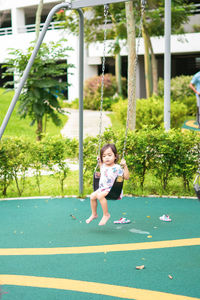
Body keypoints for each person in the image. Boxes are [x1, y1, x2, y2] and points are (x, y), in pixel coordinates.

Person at [86, 143, 129, 226]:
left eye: (109, 155)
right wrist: (99, 161)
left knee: (100, 196)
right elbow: (101, 168)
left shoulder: (117, 167)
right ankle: (94, 214)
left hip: (113, 190)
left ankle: (106, 215)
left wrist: (125, 166)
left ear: (115, 156)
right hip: (102, 188)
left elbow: (126, 177)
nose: (107, 158)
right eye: (104, 156)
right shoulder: (103, 166)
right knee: (92, 196)